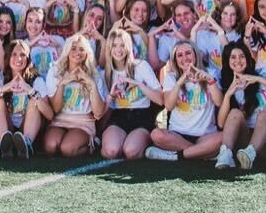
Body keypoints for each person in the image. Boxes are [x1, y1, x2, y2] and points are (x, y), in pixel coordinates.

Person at [146, 40, 224, 162]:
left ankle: (176, 156)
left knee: (224, 138)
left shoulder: (211, 73)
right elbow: (169, 106)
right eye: (180, 55)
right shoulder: (171, 78)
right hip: (178, 134)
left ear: (195, 55)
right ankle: (202, 152)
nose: (185, 58)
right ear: (175, 60)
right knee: (156, 134)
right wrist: (180, 82)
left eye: (188, 53)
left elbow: (219, 102)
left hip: (205, 135)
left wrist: (210, 81)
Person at [213, 41, 266, 170]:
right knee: (235, 113)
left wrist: (257, 79)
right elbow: (221, 124)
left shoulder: (262, 72)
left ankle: (250, 154)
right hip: (244, 143)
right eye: (233, 57)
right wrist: (228, 94)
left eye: (241, 56)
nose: (238, 60)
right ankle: (226, 155)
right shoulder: (225, 81)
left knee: (263, 115)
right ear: (227, 61)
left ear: (247, 57)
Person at [99, 28, 162, 161]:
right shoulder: (105, 73)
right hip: (118, 115)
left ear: (128, 47)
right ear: (109, 48)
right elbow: (100, 112)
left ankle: (145, 143)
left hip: (142, 115)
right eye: (114, 45)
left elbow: (160, 100)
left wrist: (138, 84)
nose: (118, 50)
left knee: (131, 151)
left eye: (122, 45)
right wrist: (111, 95)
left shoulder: (141, 66)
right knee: (111, 151)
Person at [42, 34, 107, 158]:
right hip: (60, 120)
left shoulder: (95, 74)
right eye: (73, 48)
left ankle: (91, 144)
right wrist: (63, 83)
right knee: (50, 147)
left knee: (67, 149)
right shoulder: (55, 71)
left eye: (82, 49)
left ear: (87, 53)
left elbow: (98, 113)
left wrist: (92, 84)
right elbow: (56, 109)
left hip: (83, 122)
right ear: (66, 51)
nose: (77, 52)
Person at [0, 39, 48, 160]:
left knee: (35, 101)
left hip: (27, 127)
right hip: (7, 127)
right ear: (8, 57)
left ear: (28, 59)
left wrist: (31, 91)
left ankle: (26, 144)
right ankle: (4, 145)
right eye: (14, 54)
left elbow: (49, 114)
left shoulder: (37, 80)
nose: (19, 59)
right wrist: (1, 90)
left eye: (23, 55)